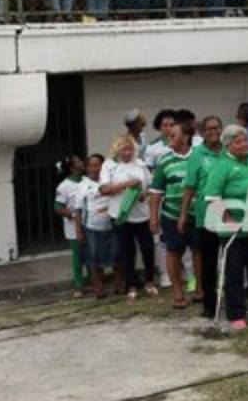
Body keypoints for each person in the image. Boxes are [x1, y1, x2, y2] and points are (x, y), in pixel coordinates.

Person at [202, 124, 248, 329]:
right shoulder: (221, 166)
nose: (245, 144)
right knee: (234, 272)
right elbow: (212, 197)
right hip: (234, 230)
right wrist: (230, 220)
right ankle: (236, 313)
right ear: (228, 145)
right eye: (239, 142)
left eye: (246, 140)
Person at [101, 134, 156, 302]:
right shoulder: (109, 165)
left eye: (130, 149)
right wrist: (126, 185)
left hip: (142, 214)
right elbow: (103, 190)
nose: (127, 153)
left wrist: (143, 195)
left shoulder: (140, 164)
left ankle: (149, 281)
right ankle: (131, 285)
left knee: (148, 248)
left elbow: (151, 186)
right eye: (124, 149)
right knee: (127, 251)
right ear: (117, 150)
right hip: (121, 214)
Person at [149, 118, 196, 309]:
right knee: (173, 252)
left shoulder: (199, 157)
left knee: (198, 252)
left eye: (174, 134)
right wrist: (153, 218)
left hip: (198, 215)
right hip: (171, 216)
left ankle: (200, 289)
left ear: (185, 137)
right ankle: (178, 293)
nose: (169, 137)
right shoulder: (164, 161)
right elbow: (156, 193)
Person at [181, 115, 225, 315]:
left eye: (216, 128)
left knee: (231, 260)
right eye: (209, 129)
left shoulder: (229, 150)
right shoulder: (197, 155)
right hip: (206, 216)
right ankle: (210, 305)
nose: (213, 132)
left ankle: (233, 300)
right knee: (208, 261)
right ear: (202, 132)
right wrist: (183, 215)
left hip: (229, 214)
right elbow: (189, 188)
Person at [81, 153, 115, 298]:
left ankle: (119, 287)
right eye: (92, 166)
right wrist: (79, 232)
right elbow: (77, 210)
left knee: (117, 257)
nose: (95, 169)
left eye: (98, 165)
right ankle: (99, 290)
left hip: (112, 224)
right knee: (95, 260)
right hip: (92, 228)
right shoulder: (82, 186)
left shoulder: (109, 181)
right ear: (87, 168)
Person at [53, 154, 87, 296]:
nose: (82, 163)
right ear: (73, 167)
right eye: (79, 161)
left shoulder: (86, 180)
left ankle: (94, 281)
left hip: (90, 222)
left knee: (91, 253)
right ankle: (78, 286)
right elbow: (58, 207)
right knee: (78, 255)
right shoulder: (64, 186)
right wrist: (74, 216)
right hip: (73, 225)